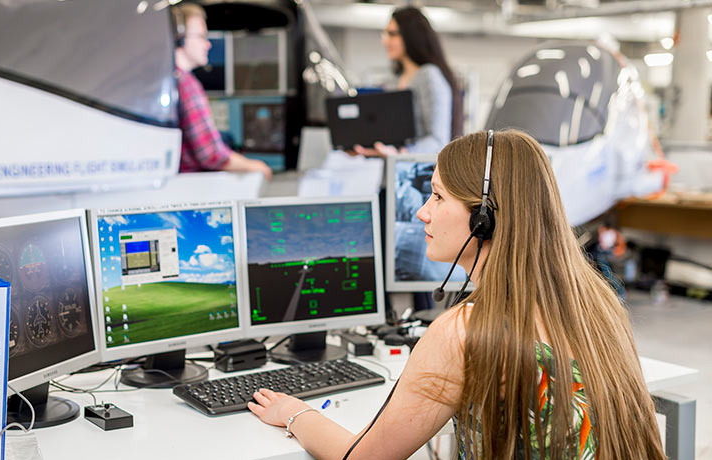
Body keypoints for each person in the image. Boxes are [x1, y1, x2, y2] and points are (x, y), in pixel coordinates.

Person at [248, 130, 665, 459]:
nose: (422, 211)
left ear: (484, 218)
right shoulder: (597, 300)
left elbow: (361, 458)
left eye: (438, 196)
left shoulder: (464, 333)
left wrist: (293, 413)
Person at [171, 3, 272, 179]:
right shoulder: (186, 85)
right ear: (180, 37)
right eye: (201, 36)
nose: (208, 44)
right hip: (192, 187)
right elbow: (211, 154)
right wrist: (255, 166)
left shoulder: (168, 79)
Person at [353, 7, 463, 158]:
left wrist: (401, 153)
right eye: (385, 34)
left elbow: (438, 141)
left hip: (420, 174)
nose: (385, 40)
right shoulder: (394, 81)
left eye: (392, 34)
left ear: (411, 36)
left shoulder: (429, 76)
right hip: (394, 171)